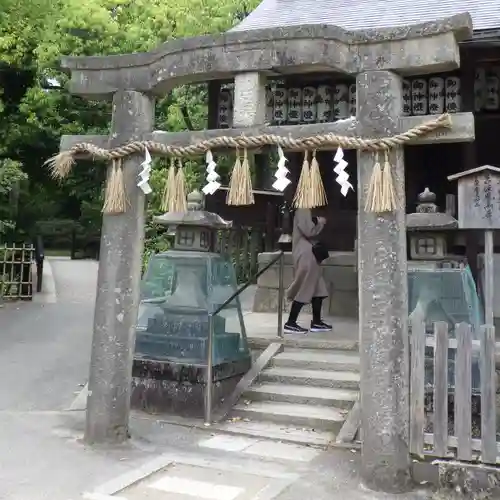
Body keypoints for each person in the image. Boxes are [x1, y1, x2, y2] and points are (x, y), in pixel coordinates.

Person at [284, 208, 332, 334]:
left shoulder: (305, 210)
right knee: (304, 287)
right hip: (305, 254)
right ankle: (291, 322)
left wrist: (316, 220)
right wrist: (319, 221)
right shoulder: (303, 208)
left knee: (318, 289)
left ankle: (316, 322)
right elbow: (308, 231)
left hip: (309, 253)